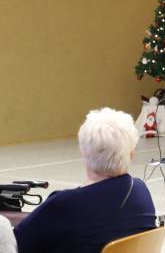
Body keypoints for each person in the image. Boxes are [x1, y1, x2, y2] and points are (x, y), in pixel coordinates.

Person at [14, 107, 157, 253]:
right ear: (131, 154)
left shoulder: (64, 204)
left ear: (84, 151)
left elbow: (13, 244)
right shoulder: (140, 191)